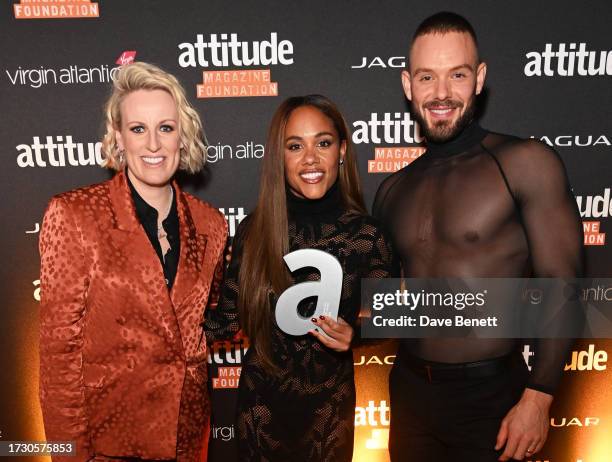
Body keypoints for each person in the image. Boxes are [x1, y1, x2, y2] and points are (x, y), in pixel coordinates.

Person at [373, 12, 584, 462]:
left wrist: (540, 395)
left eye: (458, 75)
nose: (442, 93)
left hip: (492, 402)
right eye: (427, 77)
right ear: (408, 85)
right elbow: (386, 307)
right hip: (410, 395)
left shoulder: (525, 163)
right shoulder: (392, 190)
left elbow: (563, 283)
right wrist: (342, 329)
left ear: (480, 78)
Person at [39, 62, 227, 461]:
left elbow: (204, 320)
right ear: (119, 138)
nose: (153, 145)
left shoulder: (211, 223)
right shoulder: (76, 214)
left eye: (166, 127)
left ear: (183, 135)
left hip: (186, 436)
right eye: (138, 129)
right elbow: (59, 353)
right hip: (109, 442)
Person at [205, 95, 398, 461]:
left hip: (329, 412)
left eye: (322, 143)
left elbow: (388, 318)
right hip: (260, 412)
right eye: (295, 146)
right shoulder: (254, 230)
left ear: (341, 150)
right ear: (280, 157)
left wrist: (355, 334)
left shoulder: (368, 235)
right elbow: (227, 319)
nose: (310, 158)